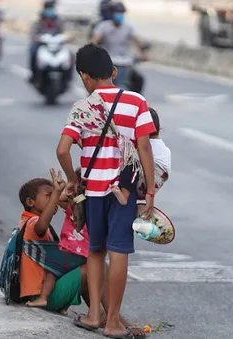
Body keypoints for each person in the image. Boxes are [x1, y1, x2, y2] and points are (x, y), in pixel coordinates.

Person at [57, 44, 156, 338]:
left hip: (94, 192)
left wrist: (72, 179)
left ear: (84, 76)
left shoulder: (82, 107)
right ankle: (113, 322)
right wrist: (149, 190)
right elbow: (145, 147)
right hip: (124, 192)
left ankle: (92, 316)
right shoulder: (136, 102)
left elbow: (62, 150)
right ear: (113, 72)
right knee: (120, 251)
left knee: (96, 250)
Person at [20, 170, 147, 338]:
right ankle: (112, 319)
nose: (54, 200)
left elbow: (70, 203)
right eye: (48, 196)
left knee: (95, 268)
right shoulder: (31, 223)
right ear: (30, 202)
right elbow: (43, 223)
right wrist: (58, 192)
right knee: (93, 268)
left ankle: (104, 316)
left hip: (49, 290)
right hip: (44, 295)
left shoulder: (38, 218)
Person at [111, 107, 172, 205]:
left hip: (148, 180)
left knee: (131, 158)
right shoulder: (163, 147)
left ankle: (124, 195)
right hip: (155, 182)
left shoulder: (146, 145)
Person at [90, 1, 149, 90]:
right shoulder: (104, 26)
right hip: (108, 62)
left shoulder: (128, 27)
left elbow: (138, 41)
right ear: (112, 14)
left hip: (124, 62)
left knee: (127, 84)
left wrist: (143, 53)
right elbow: (94, 41)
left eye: (121, 13)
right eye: (117, 13)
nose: (119, 15)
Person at [27, 0, 66, 83]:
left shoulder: (58, 20)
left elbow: (64, 32)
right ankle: (34, 74)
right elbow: (33, 33)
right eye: (48, 7)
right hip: (41, 45)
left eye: (51, 7)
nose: (50, 10)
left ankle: (66, 77)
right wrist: (37, 38)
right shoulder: (39, 20)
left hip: (55, 45)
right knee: (33, 51)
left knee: (69, 55)